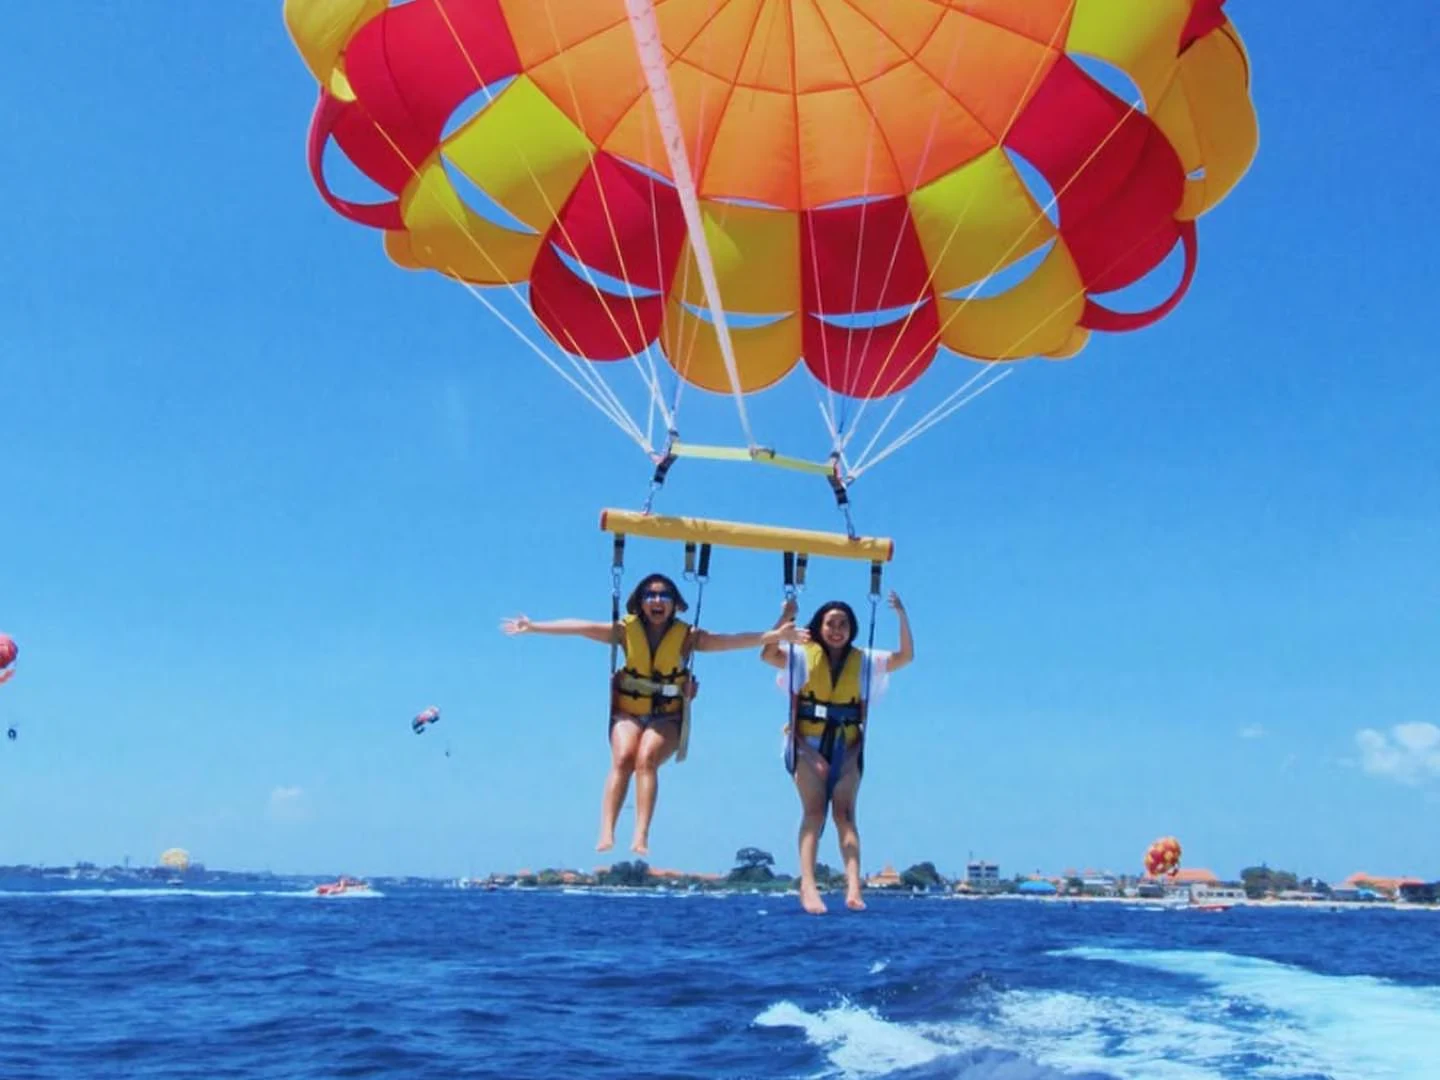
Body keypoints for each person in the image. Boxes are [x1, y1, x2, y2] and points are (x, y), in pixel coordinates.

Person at [503, 573, 806, 855]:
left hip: (668, 717)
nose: (657, 601)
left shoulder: (688, 636)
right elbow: (580, 627)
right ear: (640, 600)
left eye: (664, 595)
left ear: (675, 603)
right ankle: (607, 830)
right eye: (650, 595)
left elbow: (730, 640)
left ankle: (640, 834)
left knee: (646, 757)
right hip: (628, 711)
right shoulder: (624, 631)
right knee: (623, 757)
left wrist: (773, 635)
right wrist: (534, 627)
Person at [761, 591, 913, 915]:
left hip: (847, 747)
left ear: (852, 628)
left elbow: (905, 657)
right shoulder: (801, 653)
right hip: (805, 745)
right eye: (831, 623)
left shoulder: (865, 661)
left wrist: (901, 616)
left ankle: (854, 885)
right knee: (814, 813)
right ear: (819, 626)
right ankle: (808, 884)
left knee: (845, 815)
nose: (837, 629)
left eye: (843, 623)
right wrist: (785, 618)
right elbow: (767, 653)